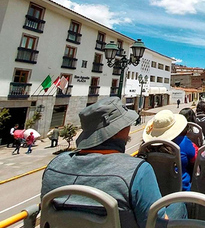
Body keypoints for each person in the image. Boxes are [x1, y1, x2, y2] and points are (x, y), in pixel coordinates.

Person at [41, 97, 187, 228]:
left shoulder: (54, 166)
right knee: (179, 204)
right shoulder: (137, 171)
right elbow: (157, 224)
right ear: (117, 130)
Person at [143, 109, 197, 191]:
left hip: (154, 188)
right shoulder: (183, 141)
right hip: (181, 190)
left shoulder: (146, 147)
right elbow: (194, 159)